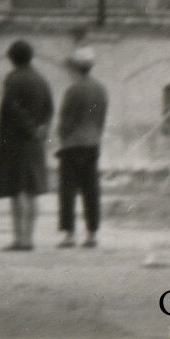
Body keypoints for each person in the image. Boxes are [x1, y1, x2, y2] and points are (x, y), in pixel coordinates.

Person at [0, 40, 53, 251]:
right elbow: (49, 108)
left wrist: (29, 129)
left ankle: (20, 239)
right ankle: (29, 237)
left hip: (17, 141)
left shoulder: (13, 79)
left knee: (17, 189)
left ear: (12, 59)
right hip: (36, 142)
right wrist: (42, 128)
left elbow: (11, 109)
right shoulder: (41, 79)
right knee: (32, 190)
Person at [56, 46, 108, 248]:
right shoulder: (100, 89)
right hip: (92, 143)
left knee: (68, 190)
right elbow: (101, 118)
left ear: (76, 68)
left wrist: (63, 137)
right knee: (91, 189)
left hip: (72, 144)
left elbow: (66, 119)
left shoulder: (73, 90)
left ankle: (69, 234)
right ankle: (92, 233)